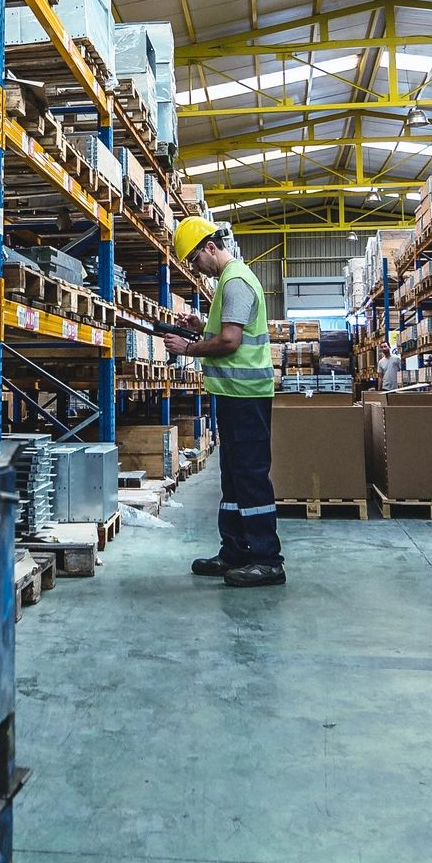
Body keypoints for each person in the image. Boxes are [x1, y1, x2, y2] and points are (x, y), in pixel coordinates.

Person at [166, 217, 284, 588]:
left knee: (250, 478)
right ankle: (235, 549)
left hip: (247, 398)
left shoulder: (235, 282)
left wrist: (189, 347)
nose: (194, 268)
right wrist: (201, 325)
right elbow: (229, 329)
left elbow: (231, 342)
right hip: (234, 396)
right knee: (232, 479)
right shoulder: (228, 284)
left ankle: (267, 560)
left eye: (194, 260)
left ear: (210, 248)